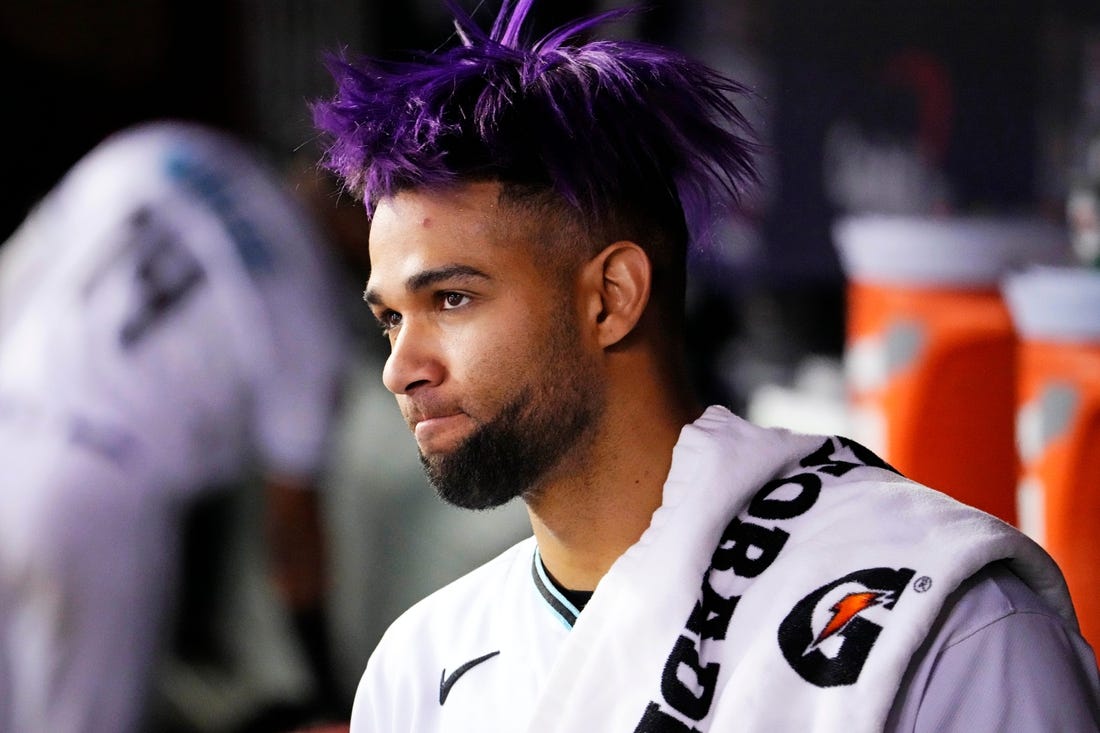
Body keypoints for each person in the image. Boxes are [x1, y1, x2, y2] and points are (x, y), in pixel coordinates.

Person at [312, 2, 1100, 731]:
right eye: (388, 319)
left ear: (612, 296)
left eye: (451, 299)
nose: (400, 368)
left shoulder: (943, 625)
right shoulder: (418, 668)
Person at [0, 121, 348, 732]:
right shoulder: (309, 301)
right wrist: (325, 686)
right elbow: (291, 535)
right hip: (98, 497)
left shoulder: (167, 148)